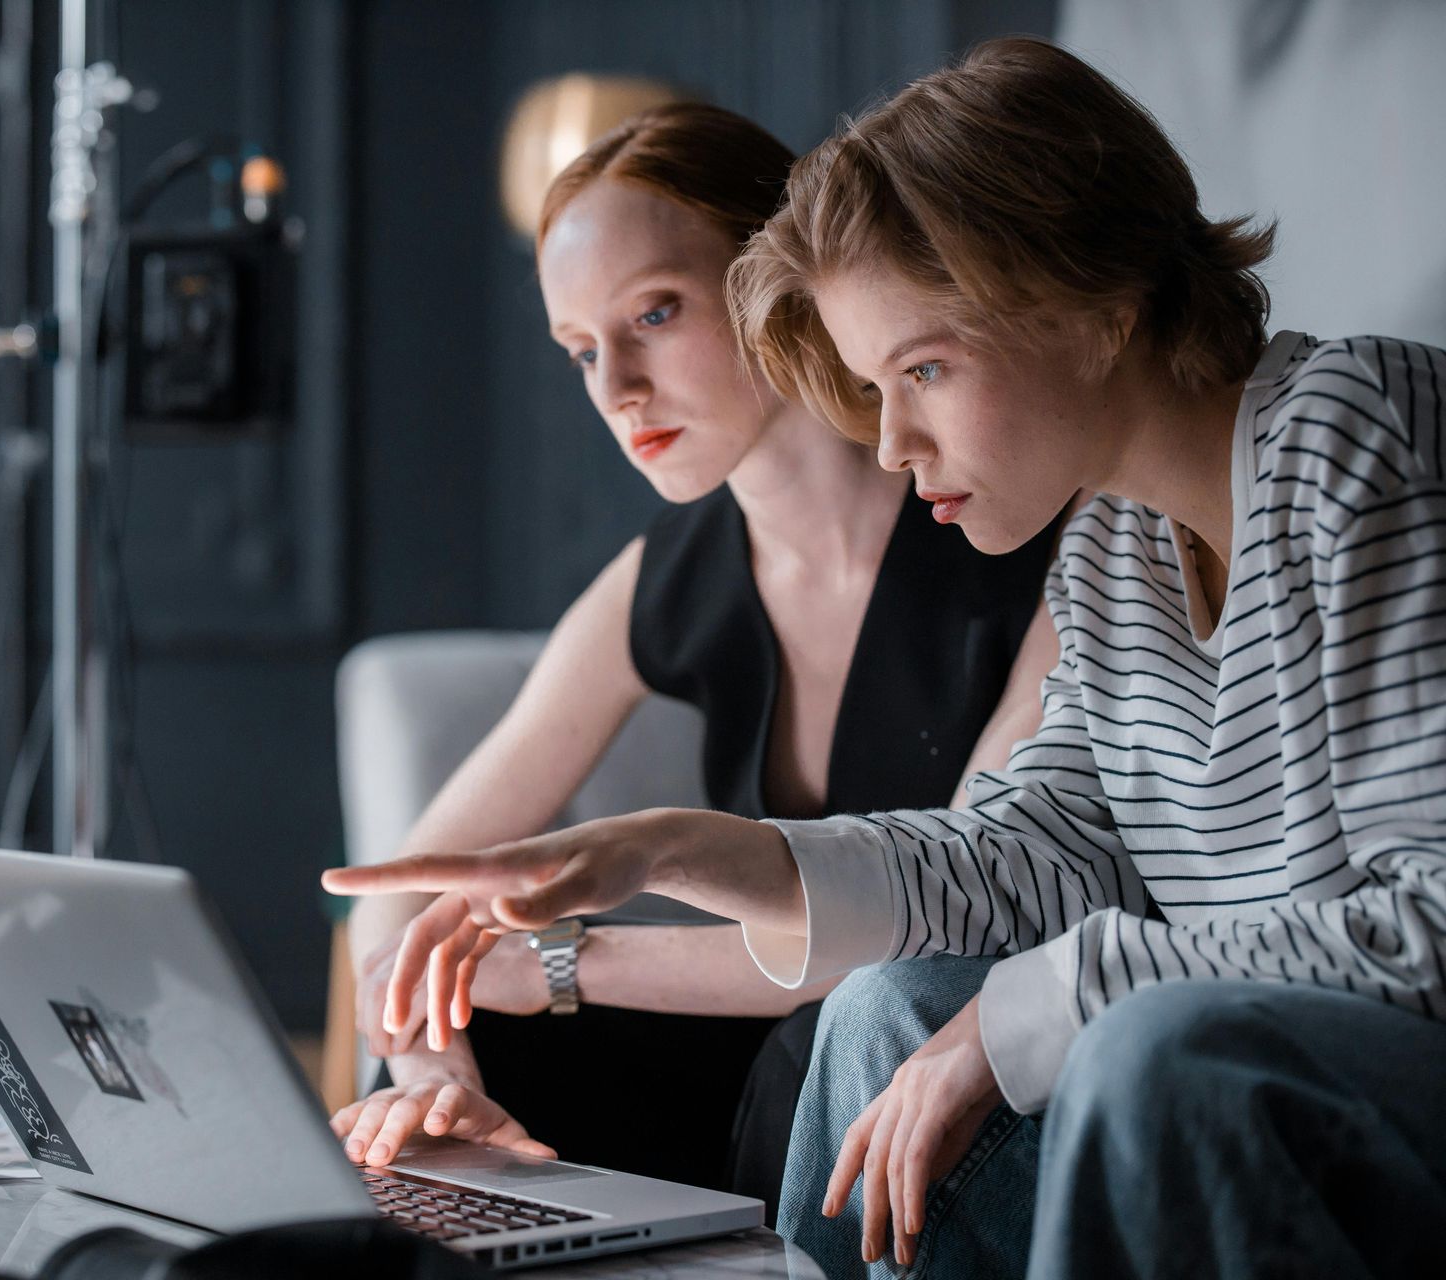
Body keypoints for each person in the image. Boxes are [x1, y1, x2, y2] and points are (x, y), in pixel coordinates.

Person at [323, 36, 1446, 1280]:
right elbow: (1023, 860)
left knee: (1140, 1044)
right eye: (873, 381)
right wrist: (668, 846)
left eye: (923, 369)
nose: (894, 440)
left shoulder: (1352, 429)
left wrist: (1038, 1006)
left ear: (1093, 307)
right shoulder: (1115, 541)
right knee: (884, 1007)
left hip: (1367, 1070)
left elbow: (1429, 927)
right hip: (1245, 1066)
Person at [334, 102, 1063, 1206]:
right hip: (761, 1062)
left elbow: (940, 909)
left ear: (778, 279)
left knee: (835, 1011)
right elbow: (399, 896)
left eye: (654, 313)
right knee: (463, 1016)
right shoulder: (668, 573)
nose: (615, 388)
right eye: (581, 350)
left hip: (923, 1033)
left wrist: (565, 963)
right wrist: (434, 1077)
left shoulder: (1003, 514)